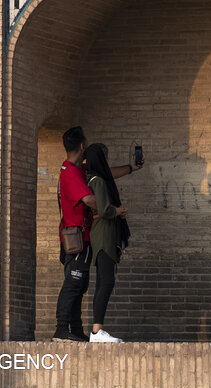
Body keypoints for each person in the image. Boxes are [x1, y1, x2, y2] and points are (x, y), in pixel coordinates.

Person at [53, 127, 143, 342]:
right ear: (82, 146)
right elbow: (90, 200)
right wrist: (111, 209)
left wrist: (131, 168)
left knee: (80, 284)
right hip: (75, 237)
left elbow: (106, 172)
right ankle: (60, 328)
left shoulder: (78, 169)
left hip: (82, 236)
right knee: (73, 282)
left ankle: (74, 330)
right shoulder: (71, 173)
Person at [85, 143, 134, 343]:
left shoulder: (99, 179)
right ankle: (97, 332)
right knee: (106, 281)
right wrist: (119, 210)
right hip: (103, 232)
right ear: (102, 159)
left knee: (104, 281)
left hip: (106, 232)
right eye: (107, 158)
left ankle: (97, 331)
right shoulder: (98, 181)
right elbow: (105, 209)